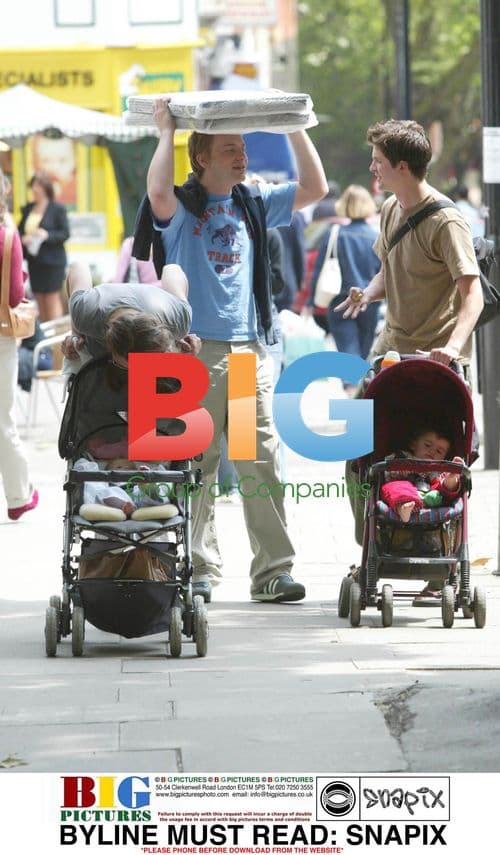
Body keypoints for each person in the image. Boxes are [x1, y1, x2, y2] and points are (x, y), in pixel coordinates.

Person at [143, 95, 328, 603]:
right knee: (196, 462)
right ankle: (200, 568)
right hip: (194, 352)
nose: (241, 155)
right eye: (230, 148)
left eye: (243, 145)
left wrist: (293, 125)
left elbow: (316, 187)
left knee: (257, 460)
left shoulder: (254, 199)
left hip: (246, 350)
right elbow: (155, 188)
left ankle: (272, 571)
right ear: (202, 157)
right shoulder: (182, 207)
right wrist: (165, 132)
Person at [336, 120, 483, 371]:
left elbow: (473, 295)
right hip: (389, 350)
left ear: (402, 166)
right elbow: (387, 273)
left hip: (434, 358)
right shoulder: (389, 208)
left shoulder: (446, 222)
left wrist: (453, 348)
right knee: (360, 411)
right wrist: (367, 294)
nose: (372, 167)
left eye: (378, 161)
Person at [310, 184, 381, 394]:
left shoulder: (334, 234)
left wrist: (311, 303)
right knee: (363, 352)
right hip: (370, 302)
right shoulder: (375, 237)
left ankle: (354, 398)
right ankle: (361, 402)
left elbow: (319, 270)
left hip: (339, 303)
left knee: (348, 353)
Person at [61, 260, 200, 367]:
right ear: (110, 345)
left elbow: (173, 269)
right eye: (124, 366)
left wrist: (178, 338)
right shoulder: (86, 311)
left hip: (159, 304)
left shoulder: (178, 319)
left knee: (171, 268)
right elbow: (78, 266)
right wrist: (76, 334)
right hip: (105, 305)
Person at [0, 169, 39, 521]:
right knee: (2, 418)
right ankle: (18, 495)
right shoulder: (7, 236)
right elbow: (14, 294)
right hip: (0, 337)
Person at [380, 424, 463, 522]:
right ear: (413, 444)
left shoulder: (438, 467)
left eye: (439, 451)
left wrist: (447, 480)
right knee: (395, 486)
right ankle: (403, 508)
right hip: (402, 490)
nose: (432, 451)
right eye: (427, 445)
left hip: (428, 496)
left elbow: (437, 486)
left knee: (440, 488)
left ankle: (451, 478)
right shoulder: (402, 457)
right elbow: (388, 470)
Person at [18, 172, 70, 322]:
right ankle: (46, 341)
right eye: (33, 186)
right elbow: (18, 231)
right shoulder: (28, 209)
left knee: (52, 300)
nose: (35, 189)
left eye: (38, 185)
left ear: (46, 188)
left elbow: (65, 234)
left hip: (53, 262)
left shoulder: (57, 209)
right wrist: (24, 238)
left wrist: (47, 235)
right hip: (35, 262)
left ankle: (56, 343)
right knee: (39, 300)